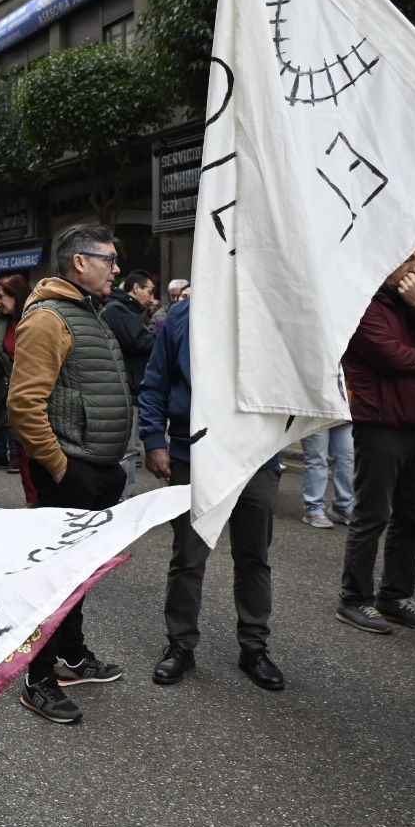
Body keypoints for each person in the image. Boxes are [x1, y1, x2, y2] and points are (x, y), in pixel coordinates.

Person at [9, 225, 130, 724]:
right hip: (70, 472)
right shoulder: (49, 319)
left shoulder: (89, 313)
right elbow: (23, 406)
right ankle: (38, 680)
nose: (117, 268)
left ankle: (73, 657)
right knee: (54, 579)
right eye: (110, 259)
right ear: (80, 262)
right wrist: (62, 469)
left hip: (97, 468)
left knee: (78, 574)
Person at [140, 295, 285, 692]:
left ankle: (254, 648)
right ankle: (180, 646)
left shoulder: (271, 308)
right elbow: (155, 382)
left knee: (254, 557)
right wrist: (154, 440)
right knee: (188, 556)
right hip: (195, 455)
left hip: (256, 455)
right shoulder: (181, 317)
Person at [336, 242, 415, 634]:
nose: (414, 269)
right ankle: (355, 598)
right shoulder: (363, 302)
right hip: (380, 423)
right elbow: (392, 355)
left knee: (413, 517)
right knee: (373, 514)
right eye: (407, 260)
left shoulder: (411, 301)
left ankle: (396, 595)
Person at [101, 268, 160, 499]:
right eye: (150, 290)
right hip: (126, 388)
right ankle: (123, 502)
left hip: (128, 386)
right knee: (127, 452)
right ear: (136, 288)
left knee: (129, 451)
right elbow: (142, 341)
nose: (152, 297)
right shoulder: (117, 310)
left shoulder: (123, 309)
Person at [0, 273, 30, 480]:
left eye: (2, 296)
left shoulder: (36, 319)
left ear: (16, 296)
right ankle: (32, 501)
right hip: (14, 394)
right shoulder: (0, 321)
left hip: (38, 393)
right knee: (21, 451)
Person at [298, 424, 355, 529]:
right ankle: (313, 509)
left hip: (343, 412)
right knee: (317, 457)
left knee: (346, 456)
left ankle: (343, 506)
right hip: (316, 411)